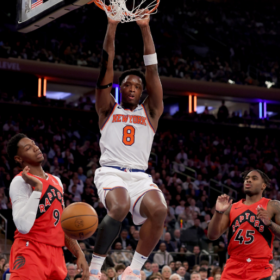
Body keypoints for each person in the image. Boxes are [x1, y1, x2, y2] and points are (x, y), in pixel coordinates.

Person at [89, 11, 166, 280]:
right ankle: (95, 268)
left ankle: (133, 270)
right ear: (119, 89)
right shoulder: (107, 107)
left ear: (142, 91)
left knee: (159, 210)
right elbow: (105, 66)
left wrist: (144, 27)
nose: (132, 87)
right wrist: (112, 26)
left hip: (139, 176)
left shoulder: (151, 111)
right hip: (111, 171)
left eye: (136, 85)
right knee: (119, 207)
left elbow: (152, 70)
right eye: (127, 84)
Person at [6, 134, 89, 280]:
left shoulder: (56, 181)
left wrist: (79, 254)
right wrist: (38, 189)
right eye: (28, 148)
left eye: (34, 144)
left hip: (56, 253)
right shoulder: (20, 181)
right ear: (19, 158)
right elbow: (23, 226)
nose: (35, 148)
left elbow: (63, 225)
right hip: (30, 249)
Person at [207, 169, 280, 280]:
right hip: (233, 266)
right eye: (246, 179)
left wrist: (270, 223)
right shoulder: (232, 207)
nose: (248, 180)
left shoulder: (273, 205)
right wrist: (218, 212)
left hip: (259, 268)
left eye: (254, 178)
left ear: (263, 186)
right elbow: (212, 236)